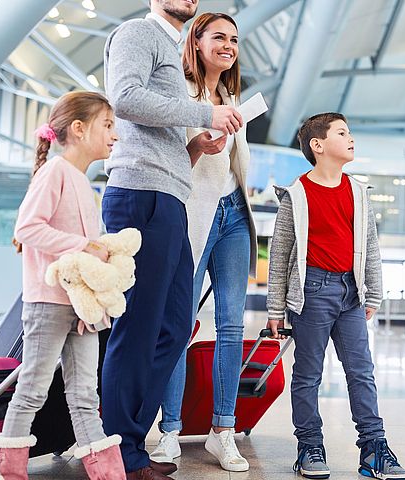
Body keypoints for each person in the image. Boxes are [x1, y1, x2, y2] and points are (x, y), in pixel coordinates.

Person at [101, 1, 243, 479]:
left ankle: (132, 441)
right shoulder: (138, 33)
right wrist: (204, 111)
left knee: (175, 325)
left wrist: (196, 146)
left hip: (168, 196)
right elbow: (124, 98)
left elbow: (160, 131)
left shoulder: (170, 43)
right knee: (139, 328)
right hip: (140, 194)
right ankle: (122, 451)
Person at [266, 113, 405, 480]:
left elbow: (371, 248)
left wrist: (373, 294)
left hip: (352, 294)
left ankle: (374, 448)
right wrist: (275, 309)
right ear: (317, 145)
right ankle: (310, 446)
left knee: (361, 372)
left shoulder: (358, 192)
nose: (351, 138)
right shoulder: (296, 194)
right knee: (308, 374)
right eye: (342, 133)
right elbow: (280, 254)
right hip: (312, 292)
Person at [0, 92, 125, 480]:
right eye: (108, 125)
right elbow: (28, 228)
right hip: (48, 302)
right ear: (79, 130)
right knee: (33, 387)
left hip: (83, 308)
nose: (115, 135)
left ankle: (107, 474)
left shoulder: (82, 181)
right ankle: (10, 471)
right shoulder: (55, 172)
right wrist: (85, 245)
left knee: (85, 394)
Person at [150, 12, 256, 473]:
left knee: (232, 325)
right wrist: (200, 147)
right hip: (193, 214)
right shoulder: (180, 94)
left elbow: (237, 164)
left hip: (233, 214)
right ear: (196, 42)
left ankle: (223, 431)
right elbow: (173, 161)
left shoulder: (232, 98)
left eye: (234, 39)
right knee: (180, 321)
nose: (228, 45)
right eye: (219, 36)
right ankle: (169, 431)